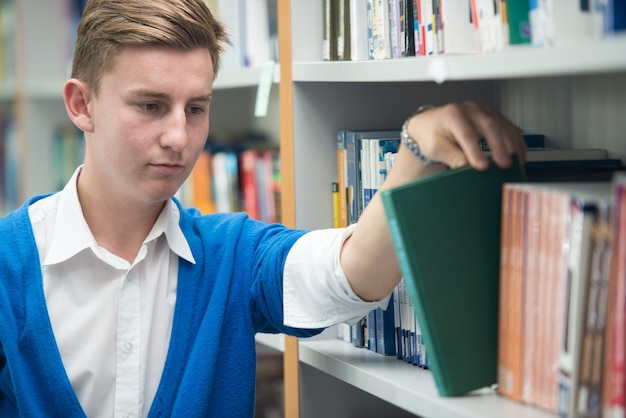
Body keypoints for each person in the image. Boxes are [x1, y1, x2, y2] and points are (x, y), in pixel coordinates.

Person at [0, 0, 526, 416]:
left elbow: (349, 275)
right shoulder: (8, 264)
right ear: (81, 104)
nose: (180, 136)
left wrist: (416, 147)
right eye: (150, 105)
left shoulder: (233, 256)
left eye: (197, 108)